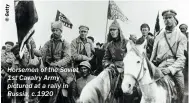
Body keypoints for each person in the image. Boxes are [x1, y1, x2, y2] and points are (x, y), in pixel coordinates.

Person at [150, 9, 187, 103]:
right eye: (165, 18)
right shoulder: (159, 36)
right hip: (160, 67)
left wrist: (170, 69)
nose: (167, 20)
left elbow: (181, 58)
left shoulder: (181, 36)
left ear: (175, 19)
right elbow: (152, 56)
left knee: (180, 90)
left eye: (170, 17)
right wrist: (150, 66)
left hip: (174, 68)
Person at [31, 21, 72, 103]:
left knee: (68, 84)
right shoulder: (48, 43)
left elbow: (67, 58)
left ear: (61, 31)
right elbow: (41, 53)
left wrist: (56, 64)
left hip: (62, 68)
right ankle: (36, 97)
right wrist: (32, 47)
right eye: (53, 30)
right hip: (49, 68)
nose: (55, 32)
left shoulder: (65, 43)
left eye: (57, 30)